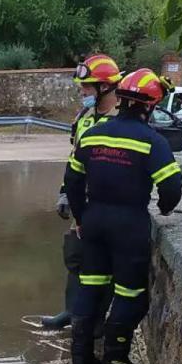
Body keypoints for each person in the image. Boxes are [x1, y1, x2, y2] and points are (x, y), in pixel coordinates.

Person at [63, 68, 182, 364]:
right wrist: (167, 209)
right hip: (129, 225)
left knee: (89, 289)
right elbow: (171, 188)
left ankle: (81, 361)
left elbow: (72, 180)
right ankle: (115, 363)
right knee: (130, 294)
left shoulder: (93, 133)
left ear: (123, 99)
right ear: (149, 106)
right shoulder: (151, 141)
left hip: (93, 222)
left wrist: (80, 217)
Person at [42, 54, 122, 330]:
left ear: (106, 87)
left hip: (109, 203)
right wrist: (66, 192)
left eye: (87, 87)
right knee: (76, 256)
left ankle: (97, 323)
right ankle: (71, 312)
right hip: (82, 201)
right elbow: (74, 158)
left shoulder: (123, 119)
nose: (83, 92)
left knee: (104, 266)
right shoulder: (84, 117)